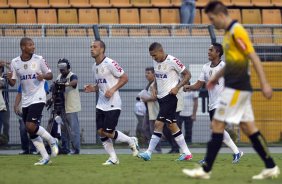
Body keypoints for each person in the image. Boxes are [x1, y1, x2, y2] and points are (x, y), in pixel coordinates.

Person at [182, 1, 280, 179]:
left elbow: (253, 57)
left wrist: (265, 83)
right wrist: (214, 77)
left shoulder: (237, 31)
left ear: (220, 15)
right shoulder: (228, 34)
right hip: (236, 87)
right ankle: (271, 166)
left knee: (218, 125)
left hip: (237, 87)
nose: (213, 23)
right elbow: (232, 64)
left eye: (212, 19)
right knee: (248, 128)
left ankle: (205, 170)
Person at [184, 43, 243, 164]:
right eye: (208, 50)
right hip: (212, 104)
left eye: (211, 50)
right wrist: (189, 87)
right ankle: (237, 152)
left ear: (218, 53)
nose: (208, 52)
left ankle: (209, 157)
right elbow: (199, 85)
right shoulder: (205, 67)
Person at [84, 40, 139, 165]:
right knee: (100, 132)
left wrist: (113, 89)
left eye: (94, 47)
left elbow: (125, 77)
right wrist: (93, 88)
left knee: (108, 132)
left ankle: (131, 141)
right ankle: (113, 158)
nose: (91, 49)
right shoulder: (94, 67)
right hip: (101, 103)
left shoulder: (110, 63)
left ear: (102, 49)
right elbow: (101, 84)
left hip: (113, 103)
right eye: (91, 47)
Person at [8, 37, 58, 165]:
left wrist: (43, 76)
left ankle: (52, 140)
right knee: (30, 130)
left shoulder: (39, 59)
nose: (33, 47)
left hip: (39, 96)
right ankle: (45, 157)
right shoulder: (15, 62)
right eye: (30, 45)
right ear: (23, 47)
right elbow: (13, 83)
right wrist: (8, 78)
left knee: (30, 126)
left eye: (33, 44)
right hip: (26, 99)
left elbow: (50, 75)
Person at [138, 42, 192, 161]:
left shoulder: (172, 60)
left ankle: (148, 152)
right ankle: (187, 153)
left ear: (161, 51)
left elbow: (188, 75)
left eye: (155, 55)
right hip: (161, 99)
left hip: (170, 97)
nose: (153, 58)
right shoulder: (155, 62)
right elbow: (158, 77)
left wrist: (177, 87)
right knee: (172, 125)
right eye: (151, 56)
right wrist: (155, 87)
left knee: (158, 124)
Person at [15, 81, 49, 155]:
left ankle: (34, 149)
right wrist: (16, 105)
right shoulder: (24, 79)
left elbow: (45, 92)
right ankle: (25, 149)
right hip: (24, 108)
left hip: (35, 108)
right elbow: (19, 93)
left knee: (33, 129)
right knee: (23, 129)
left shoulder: (43, 81)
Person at [56, 58, 81, 154]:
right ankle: (65, 148)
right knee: (63, 130)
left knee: (74, 130)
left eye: (63, 68)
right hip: (62, 107)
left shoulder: (72, 75)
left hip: (71, 107)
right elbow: (56, 87)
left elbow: (74, 82)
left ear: (68, 67)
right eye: (60, 68)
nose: (61, 70)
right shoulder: (59, 77)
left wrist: (65, 84)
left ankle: (76, 149)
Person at [140, 67, 162, 153]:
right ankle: (152, 146)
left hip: (155, 110)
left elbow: (155, 97)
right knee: (145, 128)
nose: (146, 75)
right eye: (146, 73)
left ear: (154, 74)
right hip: (148, 110)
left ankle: (157, 149)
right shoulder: (149, 84)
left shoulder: (155, 84)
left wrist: (145, 99)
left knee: (154, 130)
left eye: (148, 73)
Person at [0, 61, 10, 145]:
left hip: (5, 104)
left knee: (6, 123)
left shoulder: (5, 76)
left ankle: (5, 141)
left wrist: (5, 64)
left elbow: (13, 71)